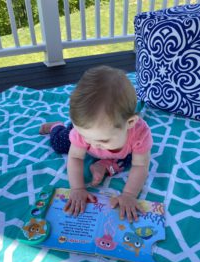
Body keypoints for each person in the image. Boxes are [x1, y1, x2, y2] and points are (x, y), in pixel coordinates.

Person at [40, 66, 152, 222]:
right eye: (89, 140)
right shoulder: (84, 135)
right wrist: (78, 188)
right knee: (59, 144)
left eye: (103, 140)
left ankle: (104, 163)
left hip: (109, 142)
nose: (93, 145)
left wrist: (129, 195)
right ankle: (56, 126)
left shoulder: (140, 134)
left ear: (130, 123)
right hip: (83, 130)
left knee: (129, 160)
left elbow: (140, 166)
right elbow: (76, 157)